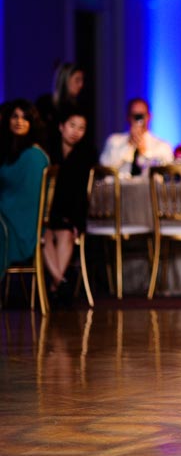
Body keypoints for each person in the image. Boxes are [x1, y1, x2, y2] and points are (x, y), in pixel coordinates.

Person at [42, 108, 97, 301]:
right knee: (45, 235)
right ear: (61, 126)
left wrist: (77, 222)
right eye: (72, 125)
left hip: (67, 213)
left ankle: (54, 287)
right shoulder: (47, 152)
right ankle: (61, 283)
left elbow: (80, 195)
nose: (76, 132)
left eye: (81, 128)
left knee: (66, 234)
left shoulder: (85, 155)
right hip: (45, 211)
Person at [0, 100, 49, 281]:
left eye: (25, 118)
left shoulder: (34, 155)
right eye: (15, 116)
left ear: (32, 122)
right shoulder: (9, 151)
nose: (19, 121)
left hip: (21, 224)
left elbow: (28, 200)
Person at [99, 98, 173, 176]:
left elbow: (167, 172)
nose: (138, 120)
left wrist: (145, 152)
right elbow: (104, 166)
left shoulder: (163, 146)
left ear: (149, 117)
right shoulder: (114, 141)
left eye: (141, 116)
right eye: (134, 116)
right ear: (128, 117)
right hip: (120, 183)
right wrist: (127, 146)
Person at [35, 61, 87, 151]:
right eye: (77, 80)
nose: (81, 85)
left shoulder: (79, 108)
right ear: (65, 80)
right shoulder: (45, 103)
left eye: (82, 81)